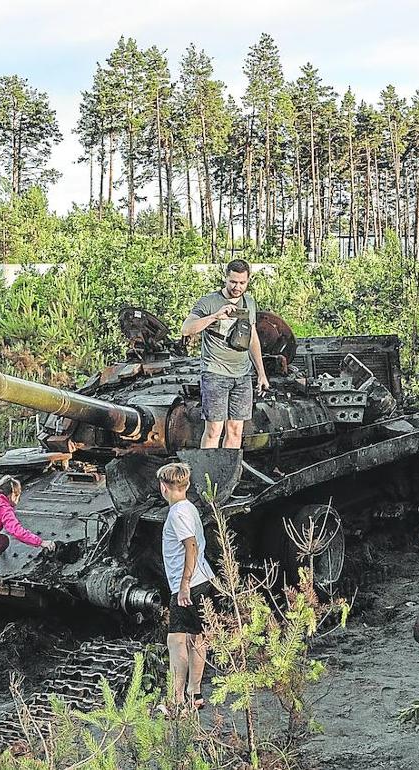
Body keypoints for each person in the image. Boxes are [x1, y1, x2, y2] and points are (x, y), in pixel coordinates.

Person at [180, 259, 270, 449]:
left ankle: (227, 473)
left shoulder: (249, 302)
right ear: (226, 278)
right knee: (214, 430)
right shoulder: (209, 302)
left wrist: (261, 373)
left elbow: (252, 338)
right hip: (215, 373)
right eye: (233, 282)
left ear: (248, 281)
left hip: (242, 375)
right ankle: (208, 475)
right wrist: (214, 316)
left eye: (242, 283)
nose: (237, 287)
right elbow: (186, 329)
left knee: (236, 429)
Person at [157, 462, 217, 715]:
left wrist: (183, 585)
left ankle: (177, 700)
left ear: (163, 488)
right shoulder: (189, 507)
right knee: (197, 638)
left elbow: (190, 546)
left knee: (176, 640)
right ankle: (195, 694)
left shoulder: (177, 513)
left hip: (188, 584)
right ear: (187, 485)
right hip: (203, 580)